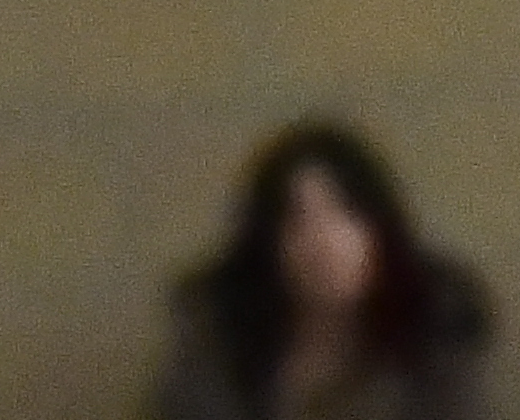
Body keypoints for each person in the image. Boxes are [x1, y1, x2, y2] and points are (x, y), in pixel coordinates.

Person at [154, 117, 493, 420]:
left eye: (345, 215)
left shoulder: (433, 349)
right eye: (297, 220)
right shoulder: (219, 349)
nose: (323, 242)